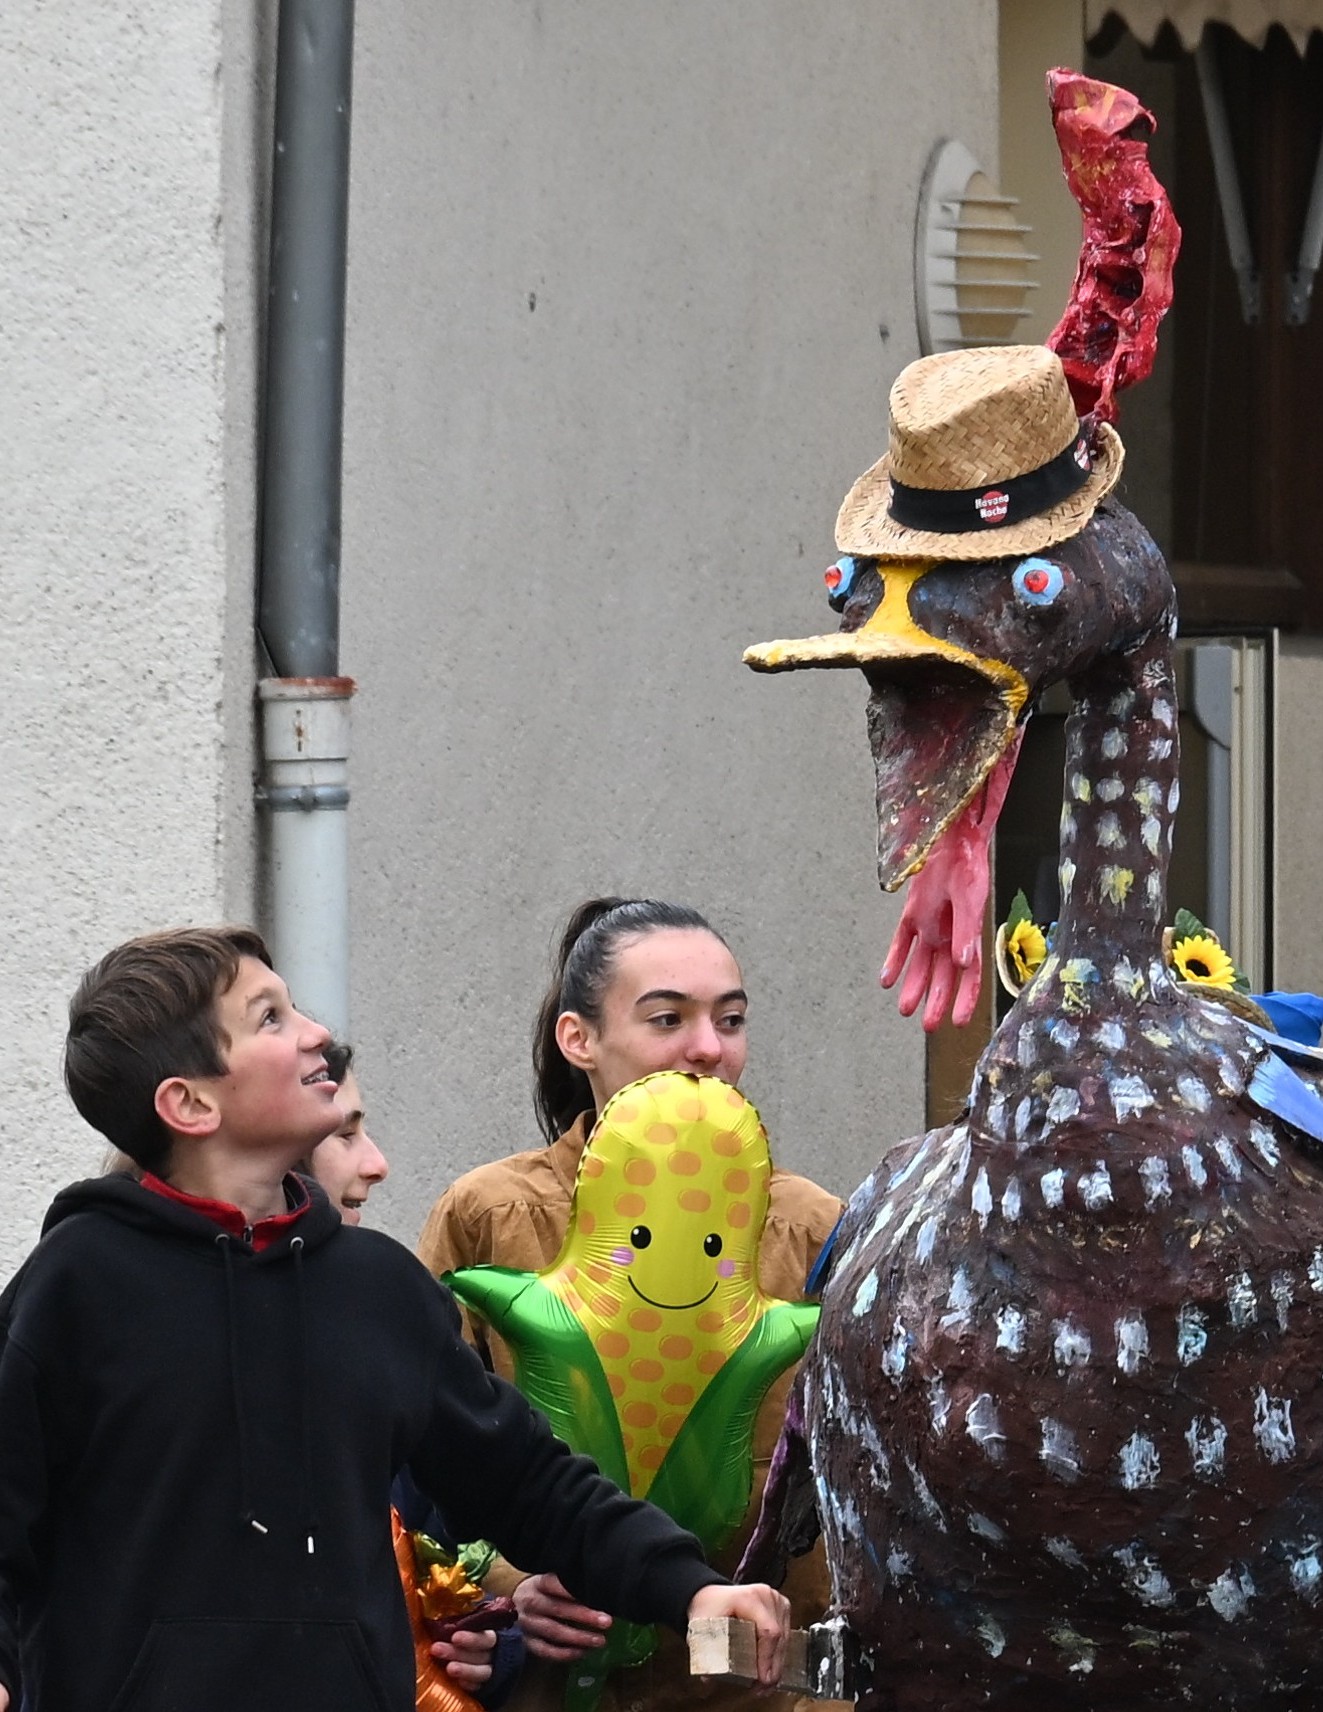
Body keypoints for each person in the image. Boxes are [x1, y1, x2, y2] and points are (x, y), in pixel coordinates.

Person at [0, 926, 789, 1712]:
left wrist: (687, 1587)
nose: (317, 1034)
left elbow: (527, 1483)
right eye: (269, 1018)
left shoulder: (377, 1289)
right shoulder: (76, 1286)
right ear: (190, 1104)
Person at [417, 898, 843, 1712]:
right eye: (667, 1019)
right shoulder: (493, 1216)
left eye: (730, 1020)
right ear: (578, 1038)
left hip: (753, 1694)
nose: (708, 1048)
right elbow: (414, 1456)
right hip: (549, 1687)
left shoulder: (811, 1228)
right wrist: (505, 1585)